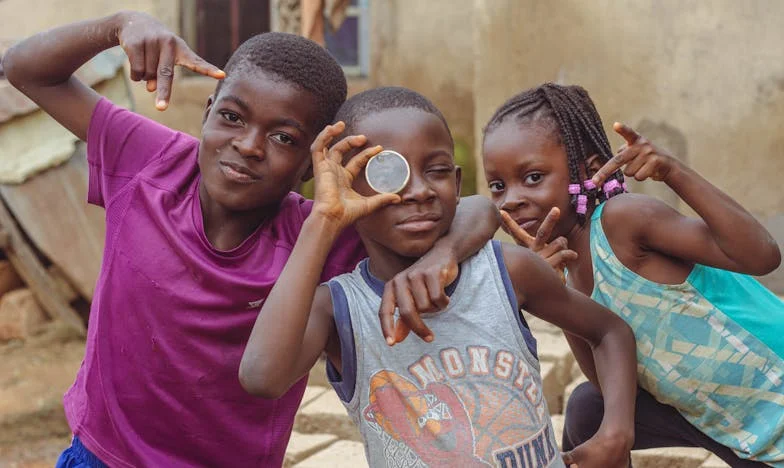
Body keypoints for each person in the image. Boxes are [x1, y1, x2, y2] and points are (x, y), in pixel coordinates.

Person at [2, 13, 498, 466]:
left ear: (311, 162)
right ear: (208, 111)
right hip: (100, 455)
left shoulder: (320, 235)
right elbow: (24, 69)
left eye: (283, 137)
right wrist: (117, 25)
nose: (247, 145)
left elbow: (475, 207)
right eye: (232, 118)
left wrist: (445, 252)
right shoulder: (150, 161)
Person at [240, 87, 638, 468]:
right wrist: (324, 220)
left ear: (458, 181)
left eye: (437, 171)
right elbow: (261, 376)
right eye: (389, 173)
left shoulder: (507, 272)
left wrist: (616, 432)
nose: (420, 191)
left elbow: (610, 332)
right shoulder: (341, 310)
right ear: (346, 188)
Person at [481, 82, 784, 467]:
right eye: (497, 186)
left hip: (776, 399)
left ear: (589, 171)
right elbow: (606, 389)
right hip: (738, 435)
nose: (511, 198)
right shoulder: (574, 273)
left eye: (533, 177)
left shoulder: (624, 222)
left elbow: (763, 256)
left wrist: (673, 171)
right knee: (587, 410)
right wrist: (551, 291)